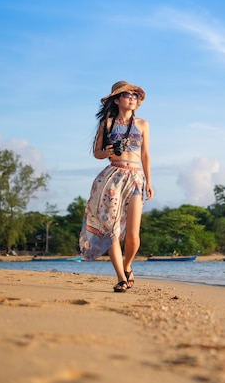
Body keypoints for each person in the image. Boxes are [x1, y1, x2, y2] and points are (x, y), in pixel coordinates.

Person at [79, 80, 154, 292]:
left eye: (135, 95)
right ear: (117, 99)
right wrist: (109, 152)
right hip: (112, 177)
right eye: (127, 95)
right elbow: (97, 153)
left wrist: (149, 181)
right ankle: (121, 277)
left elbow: (146, 154)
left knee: (133, 236)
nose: (132, 98)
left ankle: (128, 264)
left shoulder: (143, 124)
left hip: (136, 178)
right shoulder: (107, 123)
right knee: (111, 230)